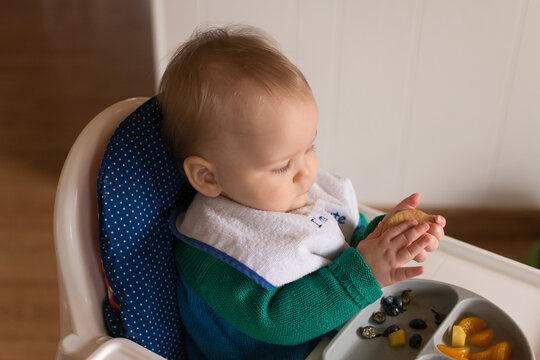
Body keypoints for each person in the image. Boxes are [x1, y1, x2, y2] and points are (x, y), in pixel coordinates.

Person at [158, 25, 446, 359]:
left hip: (341, 338)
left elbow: (342, 243)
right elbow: (280, 322)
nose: (307, 171)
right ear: (208, 177)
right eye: (282, 165)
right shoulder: (216, 251)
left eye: (310, 147)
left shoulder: (287, 192)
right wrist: (365, 271)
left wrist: (388, 238)